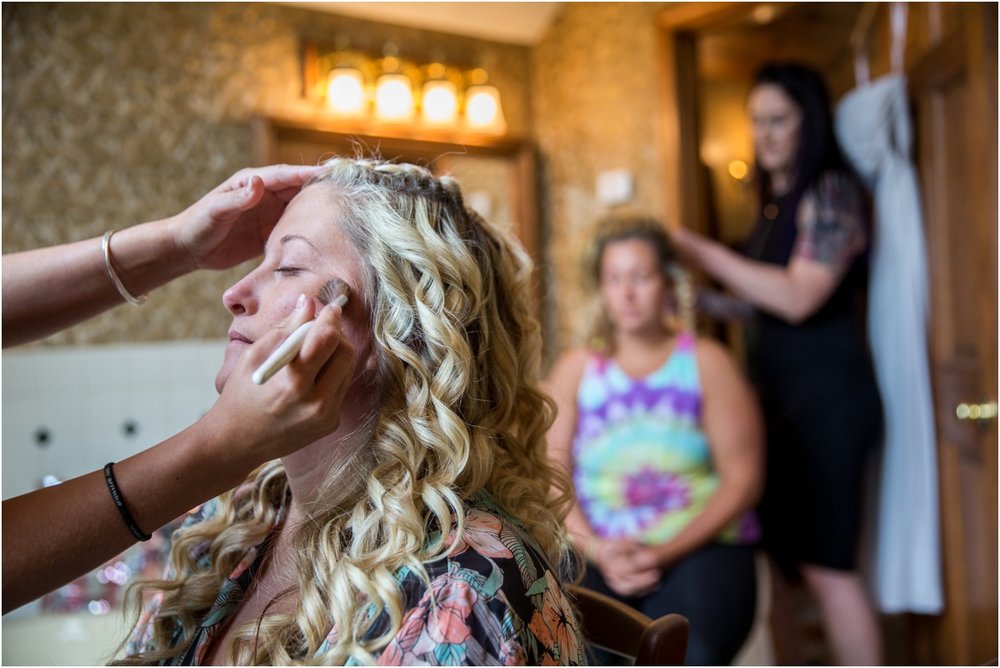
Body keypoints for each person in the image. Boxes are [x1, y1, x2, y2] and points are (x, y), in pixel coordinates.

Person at [113, 157, 586, 665]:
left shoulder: (463, 588)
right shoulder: (236, 517)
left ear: (404, 327)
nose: (234, 294)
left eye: (289, 266)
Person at [2, 164, 356, 613]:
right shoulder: (229, 528)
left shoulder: (456, 595)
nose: (233, 292)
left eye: (287, 267)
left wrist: (175, 245)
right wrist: (216, 446)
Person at [671, 62, 884, 665]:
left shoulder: (831, 191)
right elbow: (761, 304)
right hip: (781, 405)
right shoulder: (773, 205)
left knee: (828, 568)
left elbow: (799, 295)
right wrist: (697, 300)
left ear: (808, 123)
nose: (764, 135)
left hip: (830, 405)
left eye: (778, 121)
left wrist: (703, 250)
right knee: (784, 570)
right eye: (756, 122)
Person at [546, 214, 764, 665]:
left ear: (668, 282)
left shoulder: (707, 361)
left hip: (699, 546)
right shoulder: (576, 369)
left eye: (641, 277)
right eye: (615, 279)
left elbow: (743, 479)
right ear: (601, 289)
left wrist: (662, 552)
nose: (627, 293)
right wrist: (599, 549)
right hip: (595, 548)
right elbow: (551, 473)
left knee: (690, 655)